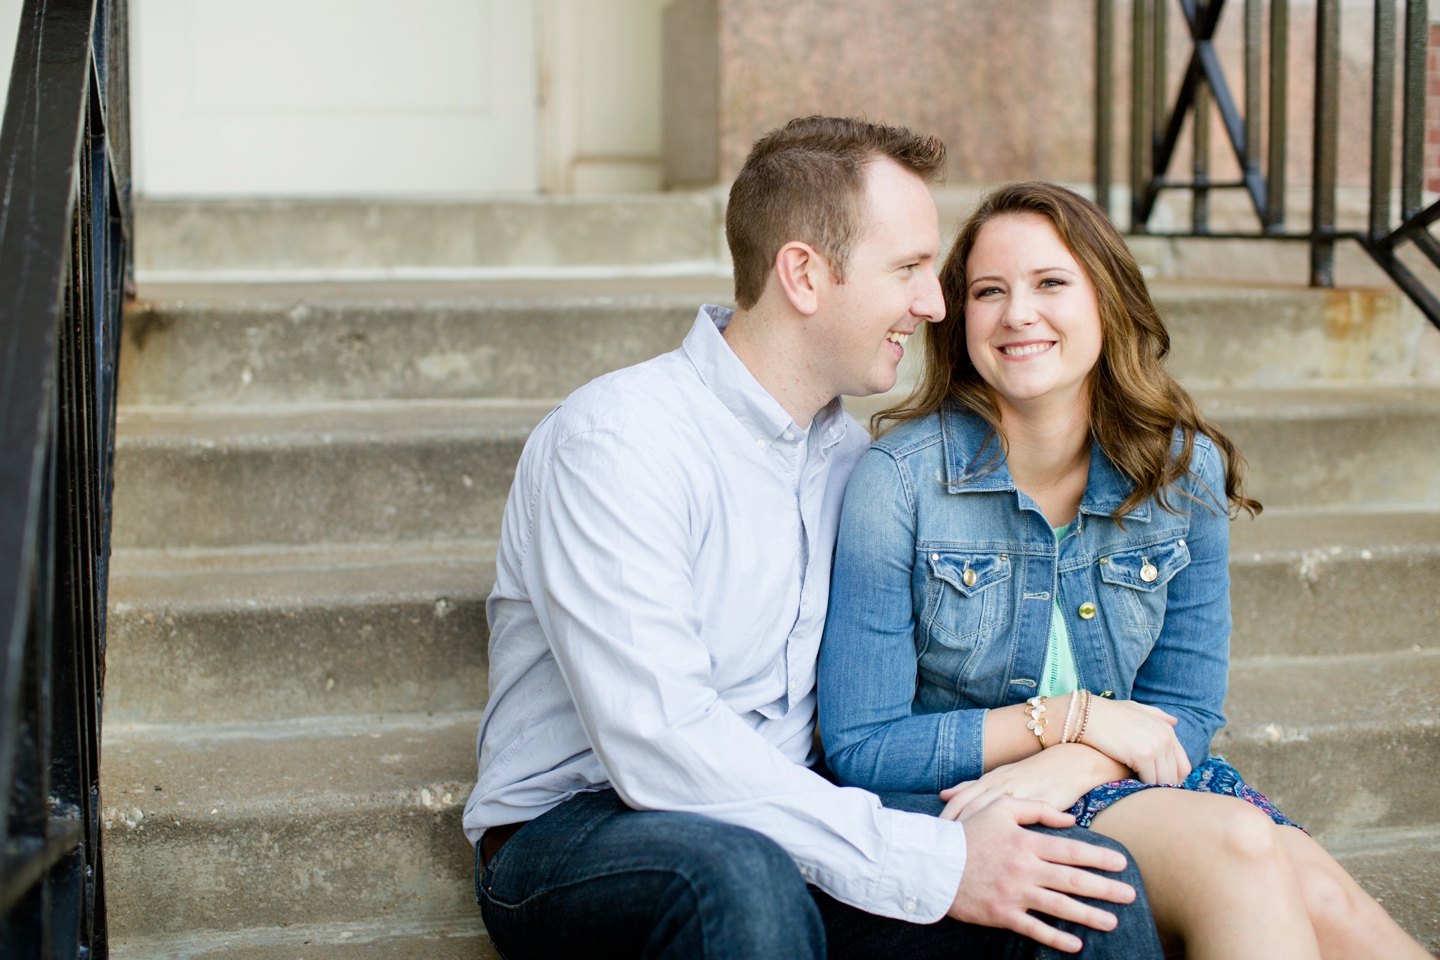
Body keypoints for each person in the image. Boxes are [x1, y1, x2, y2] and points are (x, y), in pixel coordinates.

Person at [463, 119, 1166, 959]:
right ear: (802, 273)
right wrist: (931, 860)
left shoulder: (856, 464)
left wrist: (1053, 758)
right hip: (585, 833)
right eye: (908, 268)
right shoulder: (619, 442)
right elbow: (662, 747)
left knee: (1086, 886)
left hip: (801, 811)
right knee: (742, 879)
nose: (935, 304)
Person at [818, 180, 1432, 960]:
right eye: (988, 291)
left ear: (1106, 301)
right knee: (1241, 848)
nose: (1018, 314)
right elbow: (864, 747)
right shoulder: (900, 482)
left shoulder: (1181, 471)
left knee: (1325, 900)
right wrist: (1067, 722)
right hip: (968, 796)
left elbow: (1188, 708)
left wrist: (1080, 757)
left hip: (1118, 778)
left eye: (1050, 283)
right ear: (959, 317)